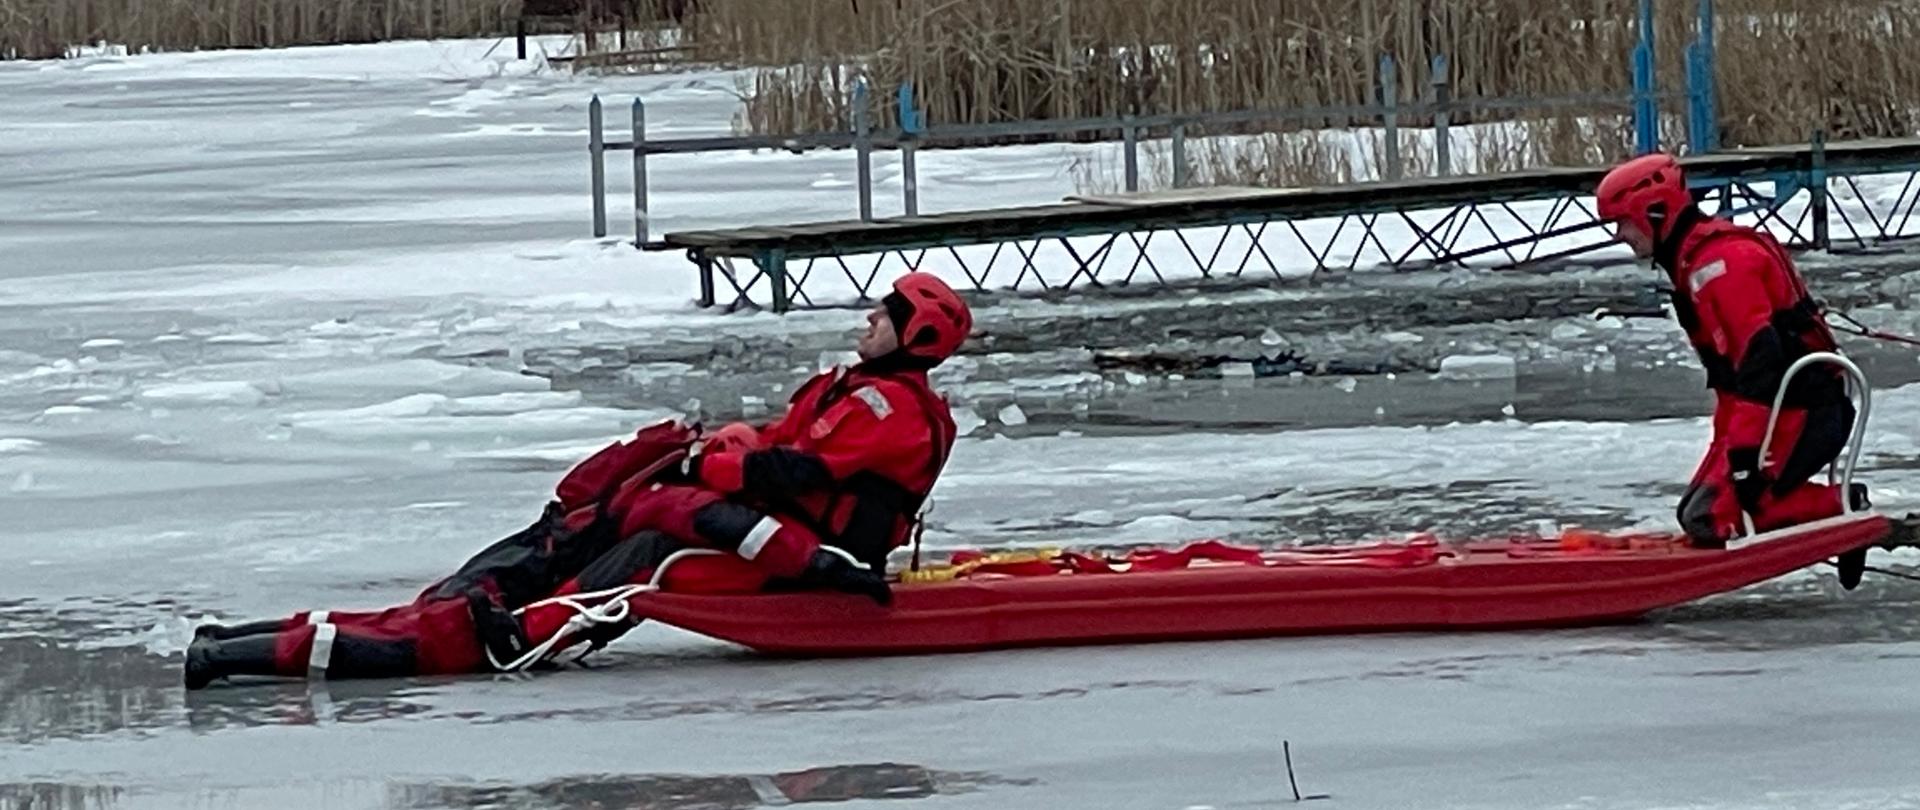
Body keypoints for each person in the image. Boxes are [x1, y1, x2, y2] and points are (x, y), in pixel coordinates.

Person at [184, 272, 974, 688]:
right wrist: (710, 456)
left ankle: (515, 632)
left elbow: (787, 471)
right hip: (770, 535)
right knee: (628, 519)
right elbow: (772, 448)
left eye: (883, 315)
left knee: (653, 551)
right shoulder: (847, 387)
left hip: (806, 554)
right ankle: (259, 641)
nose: (867, 320)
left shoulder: (890, 410)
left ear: (915, 334)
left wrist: (717, 467)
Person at [1595, 153, 1868, 575]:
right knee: (1695, 512)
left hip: (1806, 411)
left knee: (1710, 518)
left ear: (1655, 213)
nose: (1620, 235)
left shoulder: (1719, 266)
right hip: (1779, 411)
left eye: (1623, 223)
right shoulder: (1695, 261)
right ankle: (1809, 503)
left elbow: (1760, 365)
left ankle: (1842, 505)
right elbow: (1733, 378)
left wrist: (1743, 455)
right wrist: (1729, 445)